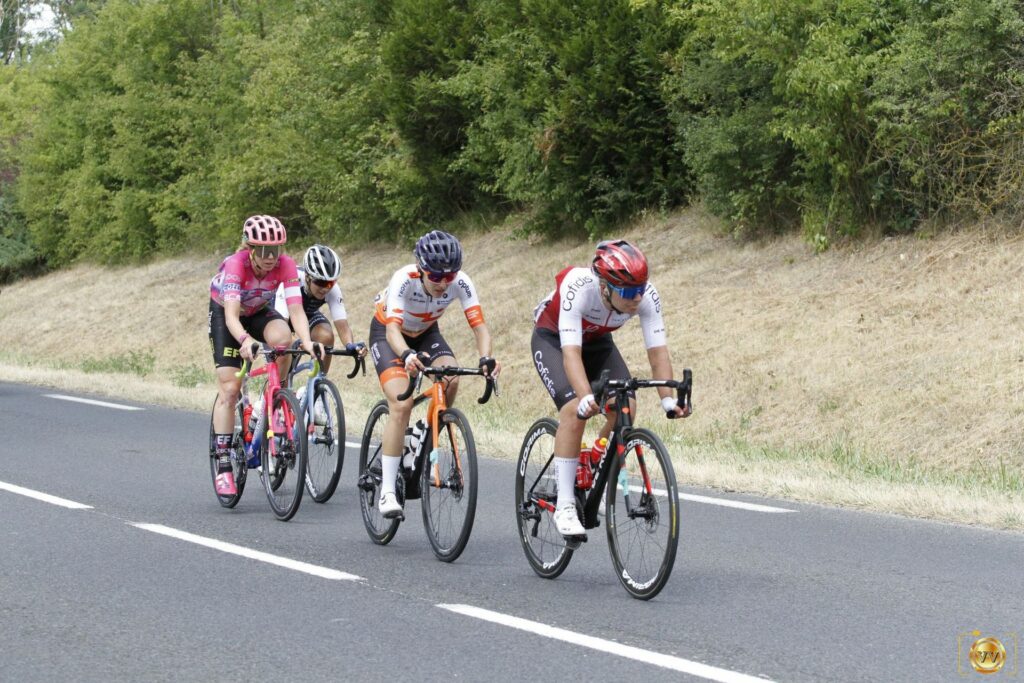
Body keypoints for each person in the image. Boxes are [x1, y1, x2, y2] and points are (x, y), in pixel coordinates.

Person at [531, 239, 690, 539]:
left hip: (597, 343)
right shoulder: (578, 287)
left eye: (641, 289)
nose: (637, 298)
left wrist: (668, 401)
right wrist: (585, 397)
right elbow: (571, 355)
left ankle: (594, 461)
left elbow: (658, 353)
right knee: (572, 410)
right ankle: (565, 504)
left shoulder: (646, 297)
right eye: (629, 293)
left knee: (625, 404)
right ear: (604, 287)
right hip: (554, 340)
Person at [369, 230, 501, 519]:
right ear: (421, 269)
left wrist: (486, 359)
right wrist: (406, 356)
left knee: (451, 378)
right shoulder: (404, 279)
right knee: (402, 404)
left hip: (427, 333)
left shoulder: (461, 283)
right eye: (436, 277)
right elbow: (392, 330)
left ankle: (423, 436)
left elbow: (480, 328)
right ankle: (388, 490)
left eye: (449, 277)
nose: (443, 283)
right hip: (389, 336)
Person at [208, 215, 321, 496]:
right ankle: (223, 463)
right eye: (264, 251)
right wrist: (245, 341)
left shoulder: (286, 265)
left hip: (258, 311)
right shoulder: (236, 264)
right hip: (229, 315)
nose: (271, 257)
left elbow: (296, 310)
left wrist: (307, 342)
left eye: (276, 250)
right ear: (250, 248)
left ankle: (274, 400)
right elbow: (233, 316)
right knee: (230, 388)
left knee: (285, 339)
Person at [273, 243, 368, 375]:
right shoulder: (292, 280)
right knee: (283, 364)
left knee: (326, 336)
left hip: (306, 314)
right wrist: (298, 341)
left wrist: (350, 345)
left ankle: (317, 385)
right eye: (320, 282)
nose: (326, 288)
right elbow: (280, 326)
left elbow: (343, 326)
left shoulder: (332, 289)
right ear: (307, 277)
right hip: (279, 317)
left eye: (330, 283)